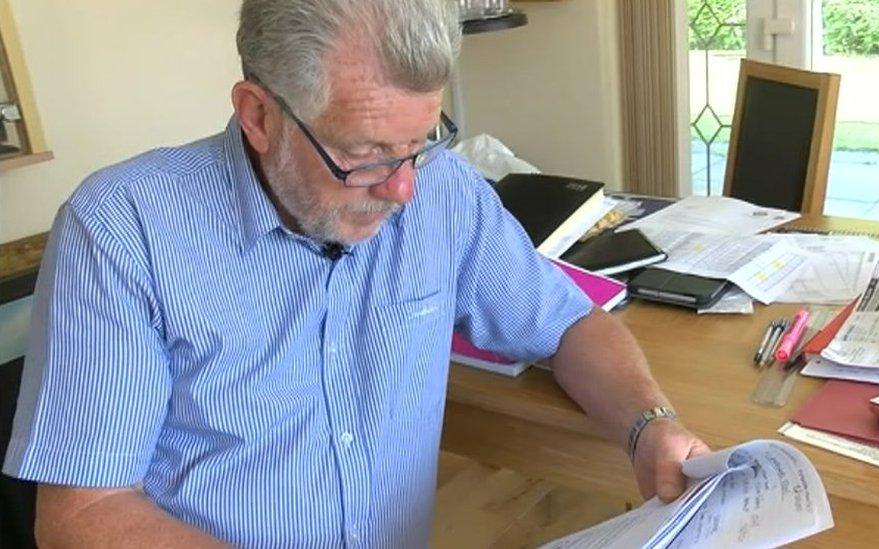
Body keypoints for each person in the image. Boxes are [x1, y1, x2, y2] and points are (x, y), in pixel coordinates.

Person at [3, 0, 709, 546]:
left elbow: (567, 322)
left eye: (420, 142)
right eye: (367, 153)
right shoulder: (123, 229)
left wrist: (650, 425)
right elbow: (84, 514)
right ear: (258, 115)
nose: (402, 188)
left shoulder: (443, 193)